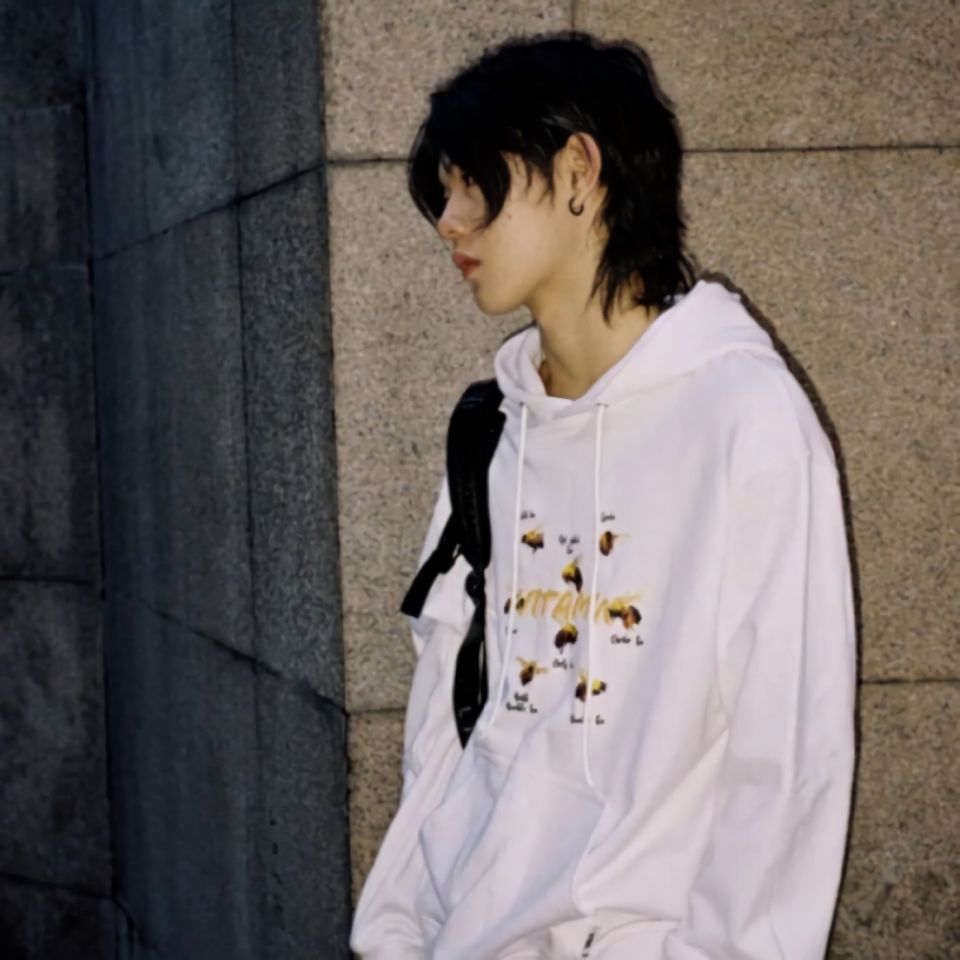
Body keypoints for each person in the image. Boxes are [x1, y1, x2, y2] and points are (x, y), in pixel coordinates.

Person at [350, 29, 857, 960]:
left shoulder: (743, 421)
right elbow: (447, 716)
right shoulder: (493, 429)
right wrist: (399, 928)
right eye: (444, 192)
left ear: (579, 171)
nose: (449, 222)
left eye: (474, 186)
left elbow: (787, 758)